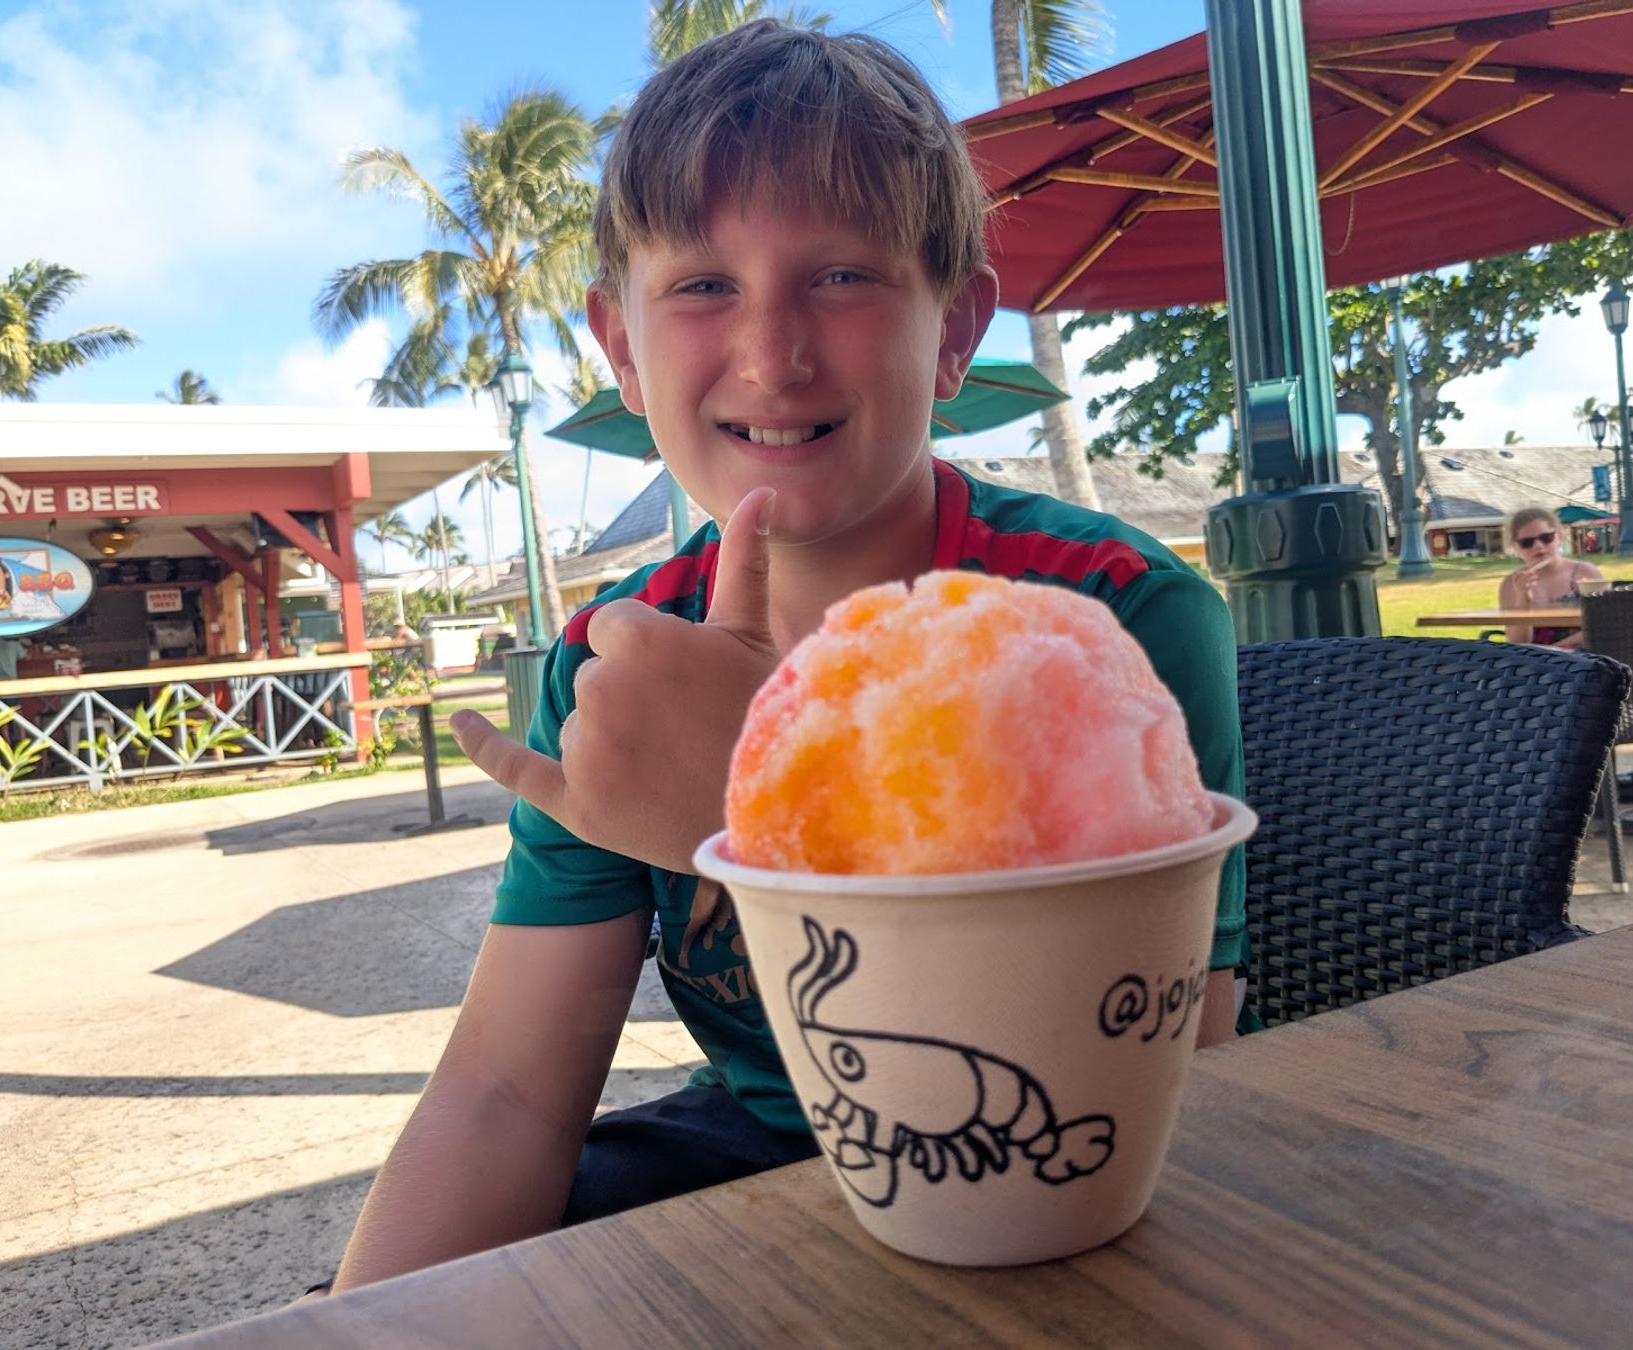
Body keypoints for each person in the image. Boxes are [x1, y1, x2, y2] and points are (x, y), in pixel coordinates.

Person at [325, 21, 1246, 1295]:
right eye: (703, 286)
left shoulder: (1112, 619)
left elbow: (1163, 1060)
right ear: (622, 346)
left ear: (958, 321)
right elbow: (505, 1091)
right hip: (752, 1154)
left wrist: (780, 808)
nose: (772, 354)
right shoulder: (618, 670)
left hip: (1045, 1179)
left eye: (846, 276)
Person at [1497, 507, 1603, 649]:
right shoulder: (1511, 583)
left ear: (1559, 536)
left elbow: (1603, 625)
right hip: (1535, 661)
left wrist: (1557, 649)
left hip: (1584, 656)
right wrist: (1523, 599)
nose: (1538, 546)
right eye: (1527, 542)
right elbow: (1517, 643)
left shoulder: (1583, 572)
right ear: (1514, 547)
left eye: (1546, 538)